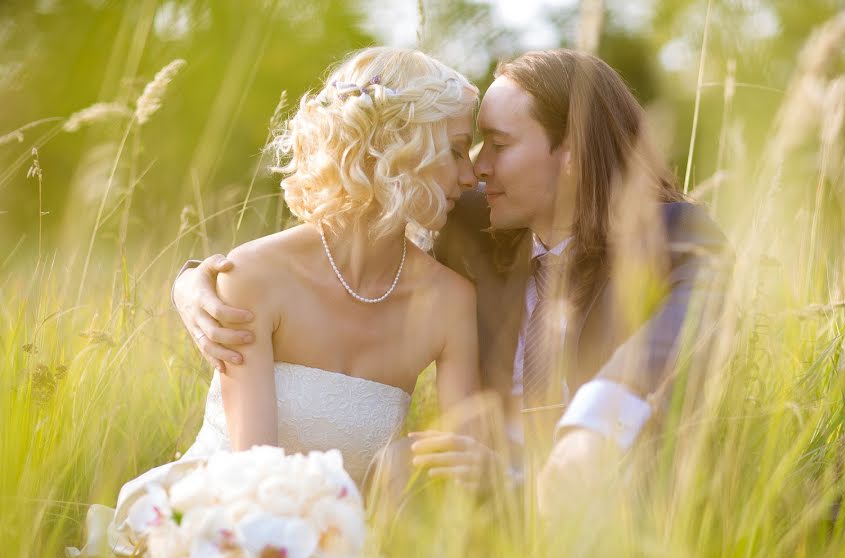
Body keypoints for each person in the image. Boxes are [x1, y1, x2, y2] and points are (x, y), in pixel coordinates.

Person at [175, 49, 730, 510]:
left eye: (500, 145)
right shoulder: (470, 221)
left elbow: (705, 298)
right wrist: (194, 281)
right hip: (475, 511)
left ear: (573, 151)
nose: (478, 170)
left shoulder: (669, 234)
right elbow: (358, 218)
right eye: (470, 148)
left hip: (607, 510)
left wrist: (600, 420)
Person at [71, 46, 485, 558]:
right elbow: (251, 470)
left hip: (354, 546)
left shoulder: (451, 300)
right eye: (456, 151)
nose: (472, 174)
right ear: (400, 150)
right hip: (221, 527)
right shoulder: (254, 277)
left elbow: (463, 470)